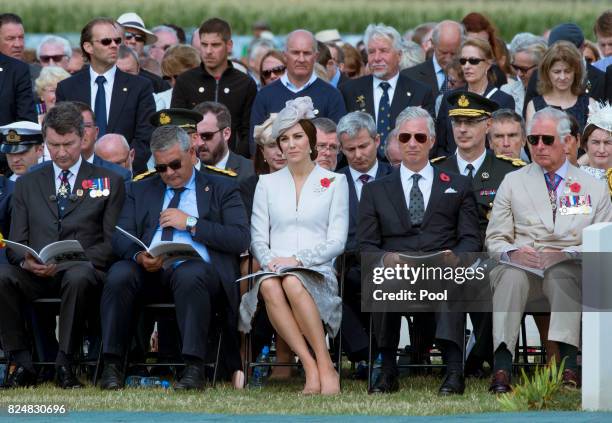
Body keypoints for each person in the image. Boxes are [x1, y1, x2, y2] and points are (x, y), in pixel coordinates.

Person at [99, 125, 249, 390]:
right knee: (120, 273)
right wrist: (138, 256)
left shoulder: (222, 186)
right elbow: (120, 235)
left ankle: (193, 367)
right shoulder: (141, 189)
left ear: (192, 153)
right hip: (151, 270)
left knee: (191, 273)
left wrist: (191, 223)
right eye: (161, 168)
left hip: (200, 276)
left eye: (175, 164)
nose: (169, 173)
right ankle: (112, 364)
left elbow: (239, 238)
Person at [486, 107, 612, 393]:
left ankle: (569, 367)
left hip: (572, 269)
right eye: (533, 140)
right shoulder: (513, 181)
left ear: (568, 141)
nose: (539, 146)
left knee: (562, 275)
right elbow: (495, 238)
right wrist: (513, 253)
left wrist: (567, 254)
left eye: (547, 139)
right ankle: (502, 368)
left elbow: (605, 239)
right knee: (509, 277)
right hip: (524, 268)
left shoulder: (594, 187)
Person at [0, 102, 125, 389]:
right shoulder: (28, 183)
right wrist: (24, 260)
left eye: (68, 144)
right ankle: (22, 362)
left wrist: (71, 261)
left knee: (78, 276)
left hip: (83, 273)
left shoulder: (109, 180)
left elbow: (111, 242)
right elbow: (16, 240)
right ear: (45, 142)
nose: (61, 152)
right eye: (53, 145)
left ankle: (65, 362)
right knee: (2, 275)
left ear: (83, 139)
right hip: (37, 273)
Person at [358, 106, 480, 395]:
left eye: (419, 137)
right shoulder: (375, 190)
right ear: (397, 141)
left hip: (441, 267)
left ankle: (453, 372)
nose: (412, 143)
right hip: (397, 268)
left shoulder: (459, 185)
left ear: (432, 140)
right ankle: (387, 370)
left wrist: (457, 259)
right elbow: (365, 243)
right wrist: (386, 259)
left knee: (452, 279)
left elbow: (470, 238)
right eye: (405, 137)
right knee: (381, 278)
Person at [239, 96, 348, 395]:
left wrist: (297, 259)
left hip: (317, 270)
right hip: (275, 268)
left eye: (297, 136)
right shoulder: (266, 184)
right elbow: (258, 237)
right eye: (284, 139)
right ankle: (314, 368)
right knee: (271, 285)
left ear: (311, 141)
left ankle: (323, 363)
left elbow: (337, 241)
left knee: (292, 282)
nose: (290, 144)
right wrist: (272, 260)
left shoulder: (335, 182)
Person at [432, 92, 525, 376]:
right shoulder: (436, 170)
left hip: (493, 256)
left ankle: (473, 358)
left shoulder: (510, 172)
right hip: (449, 258)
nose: (462, 129)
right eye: (457, 121)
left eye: (470, 122)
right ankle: (457, 363)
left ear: (487, 126)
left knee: (493, 279)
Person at [56, 17, 156, 174]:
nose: (114, 46)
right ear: (88, 47)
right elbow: (62, 135)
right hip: (79, 176)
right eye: (106, 42)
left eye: (117, 41)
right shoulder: (68, 88)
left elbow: (145, 137)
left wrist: (121, 170)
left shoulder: (140, 87)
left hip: (126, 175)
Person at [335, 111, 393, 374]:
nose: (358, 155)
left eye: (363, 146)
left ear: (377, 140)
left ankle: (374, 355)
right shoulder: (332, 183)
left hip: (385, 259)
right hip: (344, 262)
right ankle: (365, 353)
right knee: (329, 286)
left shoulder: (395, 178)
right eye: (350, 149)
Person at [341, 24, 434, 159]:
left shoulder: (420, 92)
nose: (377, 58)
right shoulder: (349, 90)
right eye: (372, 52)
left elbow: (428, 138)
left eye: (384, 51)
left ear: (399, 55)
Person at [250, 30, 346, 155]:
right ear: (285, 55)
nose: (301, 59)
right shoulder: (265, 95)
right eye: (295, 53)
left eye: (306, 53)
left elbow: (339, 143)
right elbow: (255, 145)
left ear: (315, 57)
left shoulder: (332, 95)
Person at [172, 18, 257, 158]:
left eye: (215, 45)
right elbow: (178, 127)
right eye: (204, 45)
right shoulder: (185, 81)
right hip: (194, 162)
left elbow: (248, 131)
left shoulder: (245, 84)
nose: (208, 51)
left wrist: (235, 161)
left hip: (233, 165)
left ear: (229, 46)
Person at [435, 38, 515, 157]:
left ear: (488, 64)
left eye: (473, 61)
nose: (467, 66)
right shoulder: (450, 98)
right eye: (463, 61)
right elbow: (441, 143)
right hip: (452, 171)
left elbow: (503, 143)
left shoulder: (503, 100)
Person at [523, 23, 606, 110]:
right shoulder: (538, 75)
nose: (561, 57)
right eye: (556, 71)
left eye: (568, 53)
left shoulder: (601, 78)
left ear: (582, 47)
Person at [526, 41, 595, 132]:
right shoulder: (534, 106)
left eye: (567, 71)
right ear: (547, 73)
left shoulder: (590, 104)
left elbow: (593, 141)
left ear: (576, 72)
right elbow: (532, 142)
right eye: (557, 72)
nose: (562, 77)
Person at [192, 101, 254, 182]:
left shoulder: (250, 171)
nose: (199, 143)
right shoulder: (183, 170)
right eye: (195, 136)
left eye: (206, 136)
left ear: (226, 134)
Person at [402, 20, 464, 98]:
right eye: (443, 53)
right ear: (432, 43)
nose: (448, 59)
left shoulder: (469, 75)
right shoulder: (409, 77)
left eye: (453, 53)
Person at [116, 12, 169, 94]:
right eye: (127, 35)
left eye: (139, 38)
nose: (133, 41)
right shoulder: (97, 76)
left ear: (144, 44)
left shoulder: (158, 84)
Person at [500, 33, 547, 115]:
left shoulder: (556, 94)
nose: (519, 74)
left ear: (541, 66)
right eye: (515, 67)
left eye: (524, 69)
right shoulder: (507, 92)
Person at [461, 12, 507, 87]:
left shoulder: (496, 74)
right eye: (472, 44)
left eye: (483, 44)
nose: (477, 49)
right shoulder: (450, 70)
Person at [157, 45, 201, 110]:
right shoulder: (160, 100)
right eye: (168, 78)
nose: (173, 83)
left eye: (178, 77)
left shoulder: (212, 94)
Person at [579, 102, 612, 180]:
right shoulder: (574, 178)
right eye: (596, 142)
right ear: (585, 145)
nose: (601, 150)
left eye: (607, 143)